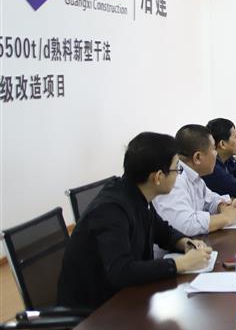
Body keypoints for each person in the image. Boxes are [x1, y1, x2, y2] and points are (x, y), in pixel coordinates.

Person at [58, 132, 212, 310]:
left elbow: (161, 230)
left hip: (125, 298)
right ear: (158, 177)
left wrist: (186, 243)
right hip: (94, 312)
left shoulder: (137, 193)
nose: (179, 175)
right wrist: (182, 264)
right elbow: (121, 270)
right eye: (176, 169)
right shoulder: (111, 210)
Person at [154, 124, 236, 236]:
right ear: (197, 157)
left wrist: (225, 206)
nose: (216, 154)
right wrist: (226, 217)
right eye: (214, 149)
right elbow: (183, 225)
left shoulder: (195, 177)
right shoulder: (175, 179)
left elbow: (210, 200)